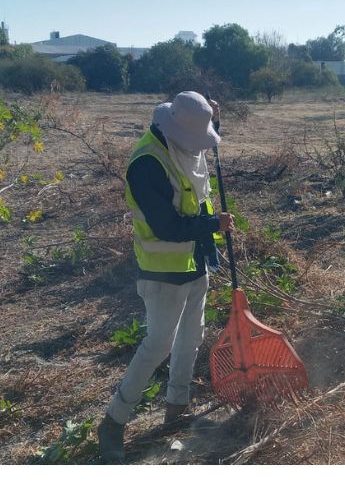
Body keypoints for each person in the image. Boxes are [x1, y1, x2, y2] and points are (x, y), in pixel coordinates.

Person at [97, 92, 234, 464]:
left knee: (192, 338)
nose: (200, 145)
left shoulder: (182, 143)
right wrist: (212, 224)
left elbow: (195, 161)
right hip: (162, 270)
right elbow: (166, 224)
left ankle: (177, 407)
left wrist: (211, 125)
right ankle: (113, 423)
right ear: (176, 129)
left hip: (195, 261)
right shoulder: (146, 164)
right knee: (157, 345)